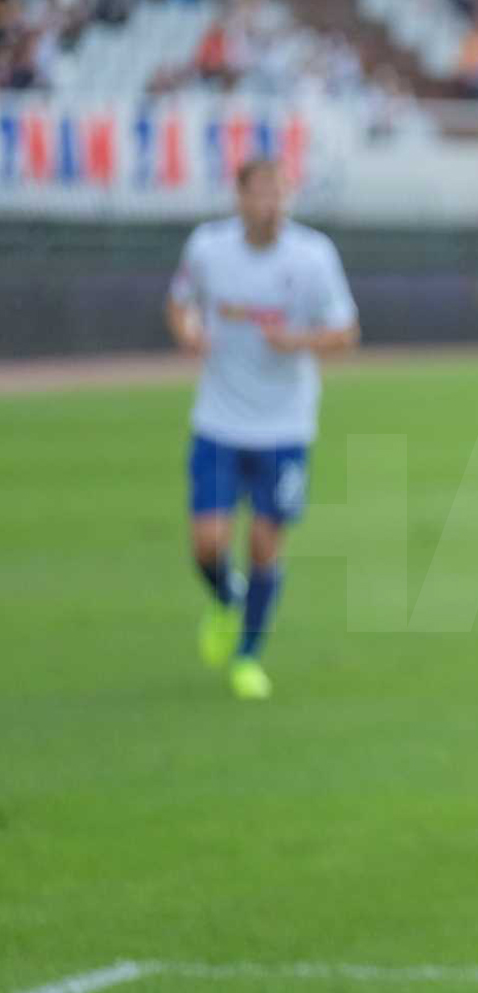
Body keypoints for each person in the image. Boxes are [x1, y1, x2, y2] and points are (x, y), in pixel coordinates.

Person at [166, 158, 360, 700]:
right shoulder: (208, 248)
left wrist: (298, 342)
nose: (272, 205)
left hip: (285, 426)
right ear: (240, 197)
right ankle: (227, 598)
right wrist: (188, 334)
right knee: (207, 544)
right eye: (261, 194)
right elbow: (179, 304)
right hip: (219, 421)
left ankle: (247, 655)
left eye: (280, 194)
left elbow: (346, 331)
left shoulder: (313, 255)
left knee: (264, 544)